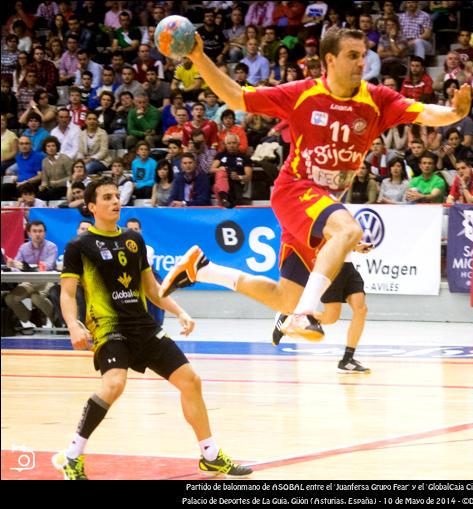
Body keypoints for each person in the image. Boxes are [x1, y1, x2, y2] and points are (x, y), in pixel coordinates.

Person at [160, 27, 470, 341]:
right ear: (330, 60)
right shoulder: (303, 93)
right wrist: (199, 58)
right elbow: (236, 97)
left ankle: (202, 269)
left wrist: (455, 112)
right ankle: (303, 315)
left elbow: (426, 112)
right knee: (349, 231)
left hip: (320, 203)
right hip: (294, 189)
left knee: (285, 297)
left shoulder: (377, 100)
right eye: (352, 56)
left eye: (363, 56)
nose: (361, 63)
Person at [52, 177, 252, 480]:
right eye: (107, 197)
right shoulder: (79, 246)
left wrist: (181, 311)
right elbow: (67, 293)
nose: (115, 201)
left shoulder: (133, 239)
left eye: (117, 196)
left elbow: (152, 289)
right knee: (115, 384)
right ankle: (72, 456)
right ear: (92, 206)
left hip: (143, 326)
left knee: (191, 382)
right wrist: (73, 325)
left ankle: (210, 455)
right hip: (109, 326)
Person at [271, 251, 374, 373]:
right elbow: (332, 238)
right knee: (331, 318)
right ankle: (289, 317)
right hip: (331, 267)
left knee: (361, 309)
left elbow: (346, 238)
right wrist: (355, 245)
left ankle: (347, 360)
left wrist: (357, 246)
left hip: (348, 267)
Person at [4, 220, 58, 328]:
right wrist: (13, 266)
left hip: (46, 281)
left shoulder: (51, 246)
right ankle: (31, 317)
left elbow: (47, 266)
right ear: (29, 233)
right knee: (9, 299)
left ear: (44, 233)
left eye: (40, 231)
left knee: (36, 298)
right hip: (28, 281)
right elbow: (17, 267)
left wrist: (24, 267)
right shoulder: (23, 248)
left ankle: (56, 319)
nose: (37, 234)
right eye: (34, 231)